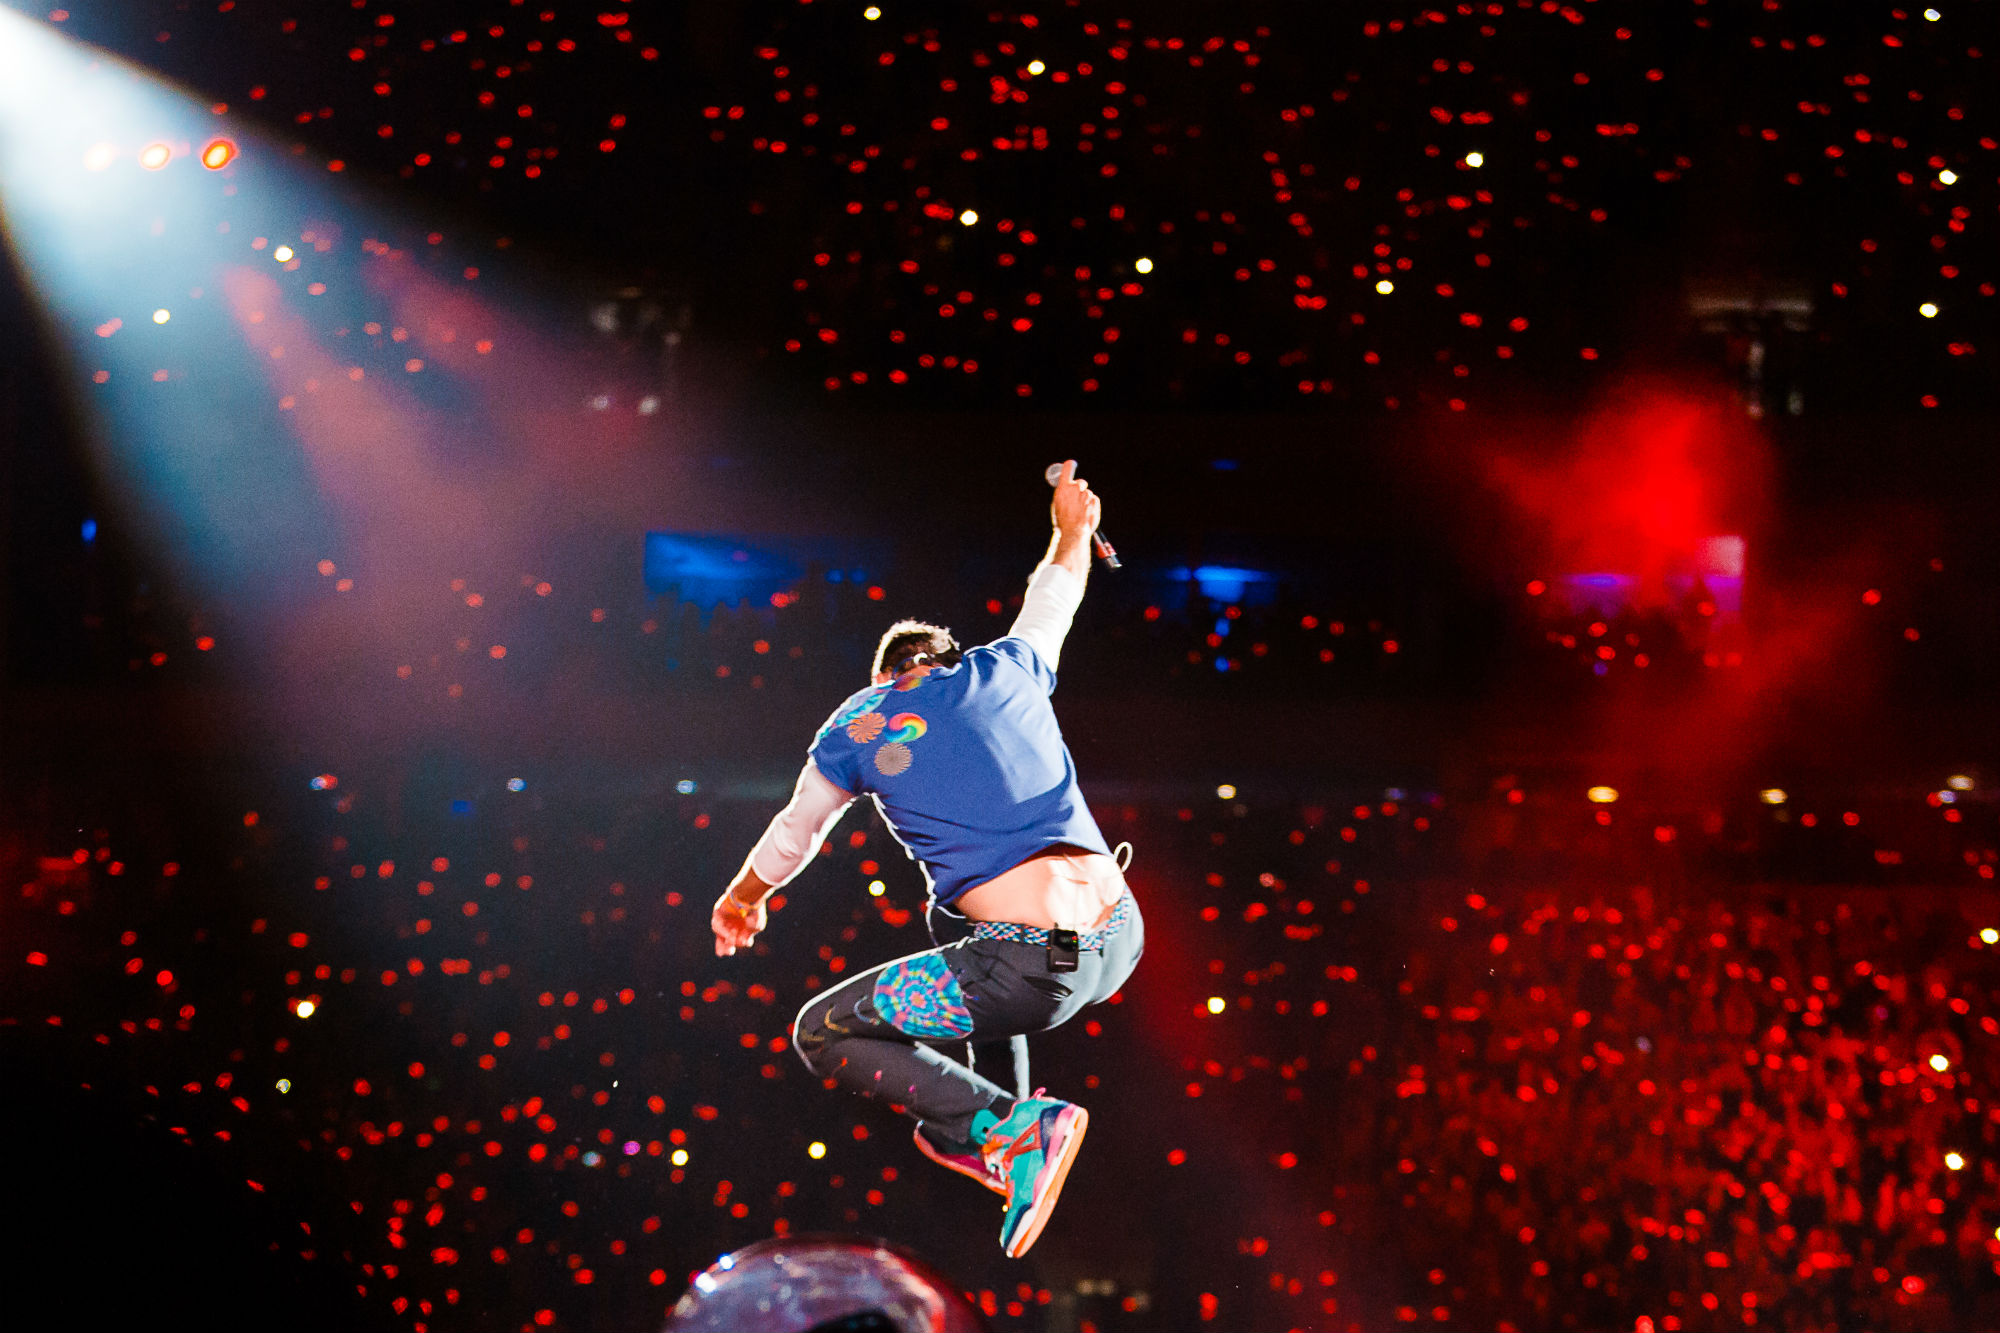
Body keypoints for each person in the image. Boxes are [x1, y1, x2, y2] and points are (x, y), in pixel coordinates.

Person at [711, 461, 1142, 1260]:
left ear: (885, 677)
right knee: (948, 916)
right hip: (1115, 940)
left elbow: (795, 831)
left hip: (1030, 973)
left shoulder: (863, 719)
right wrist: (1073, 525)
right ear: (950, 657)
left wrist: (743, 896)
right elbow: (1056, 587)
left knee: (822, 1031)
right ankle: (1010, 1126)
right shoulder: (1010, 666)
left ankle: (1011, 1128)